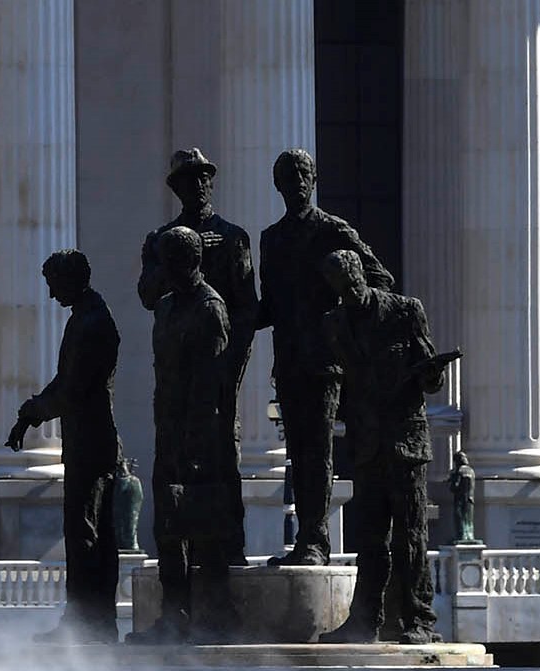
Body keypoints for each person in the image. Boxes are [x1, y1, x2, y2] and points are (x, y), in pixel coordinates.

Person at [258, 148, 395, 567]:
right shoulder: (272, 238)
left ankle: (316, 538)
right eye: (289, 175)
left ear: (313, 180)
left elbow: (378, 281)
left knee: (318, 447)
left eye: (303, 173)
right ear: (278, 185)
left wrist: (340, 317)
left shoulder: (332, 230)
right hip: (289, 357)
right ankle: (306, 536)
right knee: (299, 450)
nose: (297, 181)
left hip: (326, 359)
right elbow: (271, 304)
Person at [318, 250, 452, 645]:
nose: (351, 293)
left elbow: (431, 382)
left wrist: (430, 374)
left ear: (363, 275)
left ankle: (419, 620)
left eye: (354, 284)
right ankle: (364, 621)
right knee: (369, 537)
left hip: (405, 441)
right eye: (342, 289)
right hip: (367, 443)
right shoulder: (336, 324)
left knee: (410, 534)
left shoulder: (404, 312)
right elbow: (341, 383)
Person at [138, 148, 258, 565]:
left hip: (216, 367)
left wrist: (232, 370)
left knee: (220, 466)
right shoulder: (160, 240)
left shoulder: (232, 237)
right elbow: (147, 296)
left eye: (204, 177)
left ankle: (227, 555)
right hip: (175, 369)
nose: (198, 186)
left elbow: (247, 311)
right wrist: (174, 258)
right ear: (177, 188)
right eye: (188, 179)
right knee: (170, 471)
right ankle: (178, 573)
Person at [127, 227, 238, 644]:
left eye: (167, 263)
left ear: (186, 262)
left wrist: (195, 444)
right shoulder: (167, 307)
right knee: (169, 527)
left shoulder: (211, 308)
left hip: (200, 436)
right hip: (168, 429)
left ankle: (211, 617)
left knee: (205, 527)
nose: (162, 272)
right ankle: (173, 618)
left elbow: (210, 385)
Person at [7, 249, 122, 642]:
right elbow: (65, 381)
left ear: (72, 279)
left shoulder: (92, 323)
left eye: (54, 285)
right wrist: (30, 413)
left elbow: (73, 390)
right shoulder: (84, 318)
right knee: (85, 531)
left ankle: (89, 623)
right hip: (85, 439)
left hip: (92, 441)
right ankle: (89, 621)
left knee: (86, 532)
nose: (52, 295)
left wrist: (35, 410)